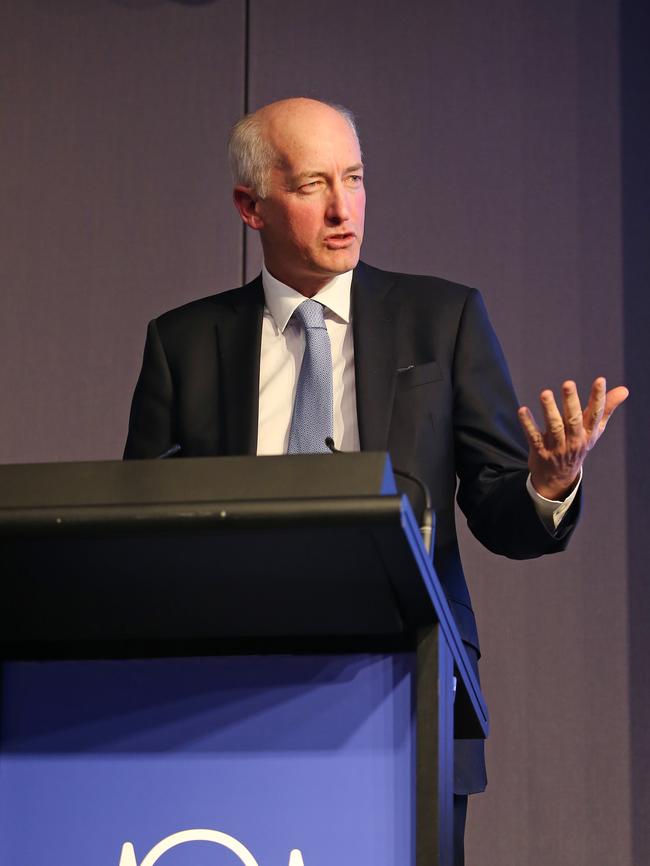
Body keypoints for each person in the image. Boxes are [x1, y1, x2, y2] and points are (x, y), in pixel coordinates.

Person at [124, 97, 628, 863]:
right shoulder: (184, 344)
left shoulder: (443, 318)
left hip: (411, 690)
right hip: (234, 701)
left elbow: (500, 511)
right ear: (249, 206)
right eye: (311, 185)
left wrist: (548, 484)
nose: (341, 209)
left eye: (354, 179)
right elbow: (142, 531)